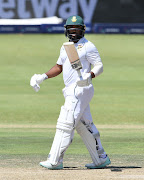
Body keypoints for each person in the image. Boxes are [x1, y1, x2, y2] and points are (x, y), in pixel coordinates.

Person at [30, 15, 111, 170]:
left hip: (81, 89)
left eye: (77, 29)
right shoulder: (65, 46)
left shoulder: (88, 46)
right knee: (84, 125)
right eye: (71, 29)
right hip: (70, 90)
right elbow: (59, 67)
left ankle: (55, 160)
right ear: (66, 31)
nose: (74, 32)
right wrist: (42, 77)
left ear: (83, 30)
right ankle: (100, 158)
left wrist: (90, 75)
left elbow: (99, 66)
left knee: (65, 123)